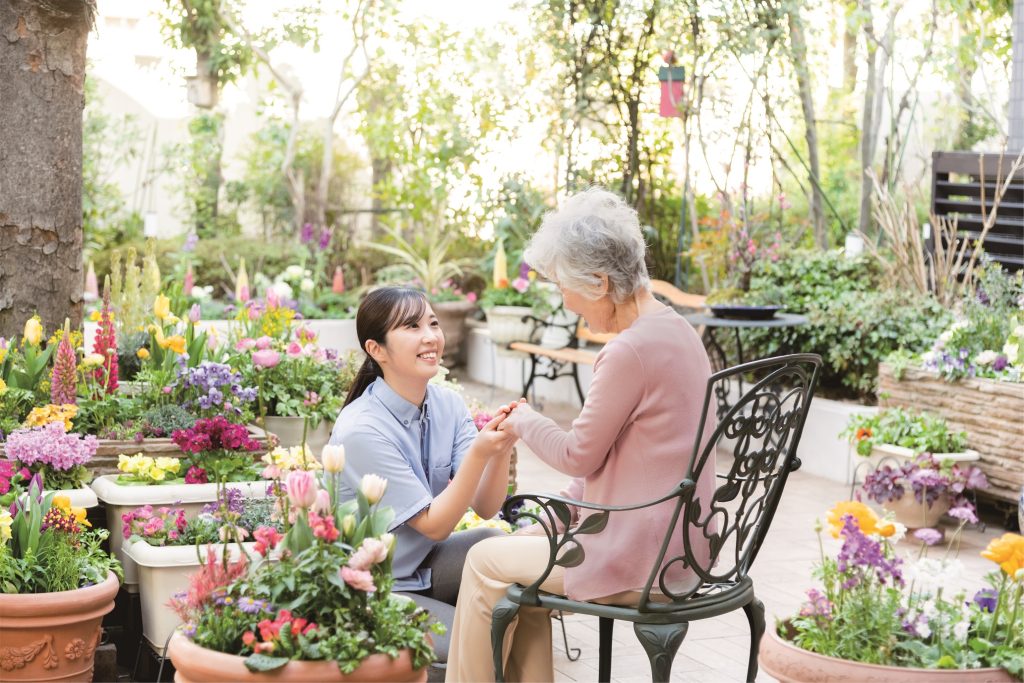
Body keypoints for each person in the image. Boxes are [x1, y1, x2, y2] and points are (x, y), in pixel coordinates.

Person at [446, 187, 717, 682]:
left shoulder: (629, 351)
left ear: (599, 282)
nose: (567, 306)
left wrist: (524, 419)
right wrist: (556, 522)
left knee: (484, 560)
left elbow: (577, 455)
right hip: (681, 549)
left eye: (565, 291)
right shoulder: (678, 332)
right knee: (514, 573)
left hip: (640, 557)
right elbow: (623, 462)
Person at [329, 286, 516, 675]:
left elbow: (486, 506)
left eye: (432, 323)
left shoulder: (447, 404)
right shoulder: (362, 429)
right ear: (376, 349)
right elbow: (435, 525)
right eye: (412, 326)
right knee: (481, 636)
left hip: (421, 566)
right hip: (372, 589)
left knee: (498, 549)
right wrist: (481, 452)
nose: (430, 336)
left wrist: (500, 450)